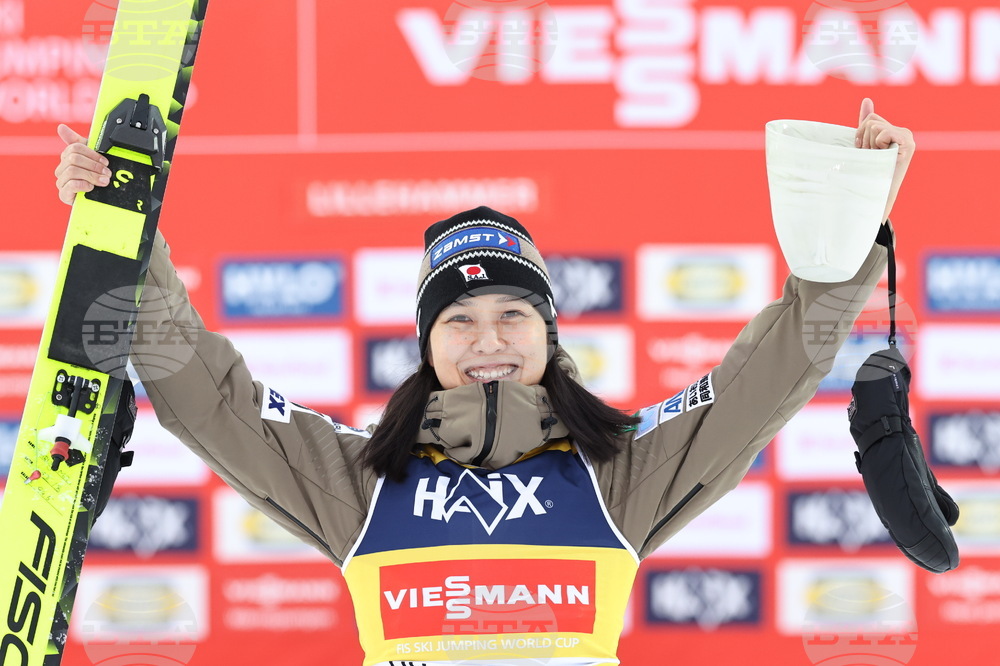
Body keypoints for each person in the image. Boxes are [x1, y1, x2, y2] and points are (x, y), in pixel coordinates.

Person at [54, 98, 914, 666]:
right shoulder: (363, 482)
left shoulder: (616, 472)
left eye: (514, 316)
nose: (488, 340)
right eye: (459, 320)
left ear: (548, 332)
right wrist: (127, 226)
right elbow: (211, 400)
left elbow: (770, 376)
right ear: (429, 345)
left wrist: (854, 210)